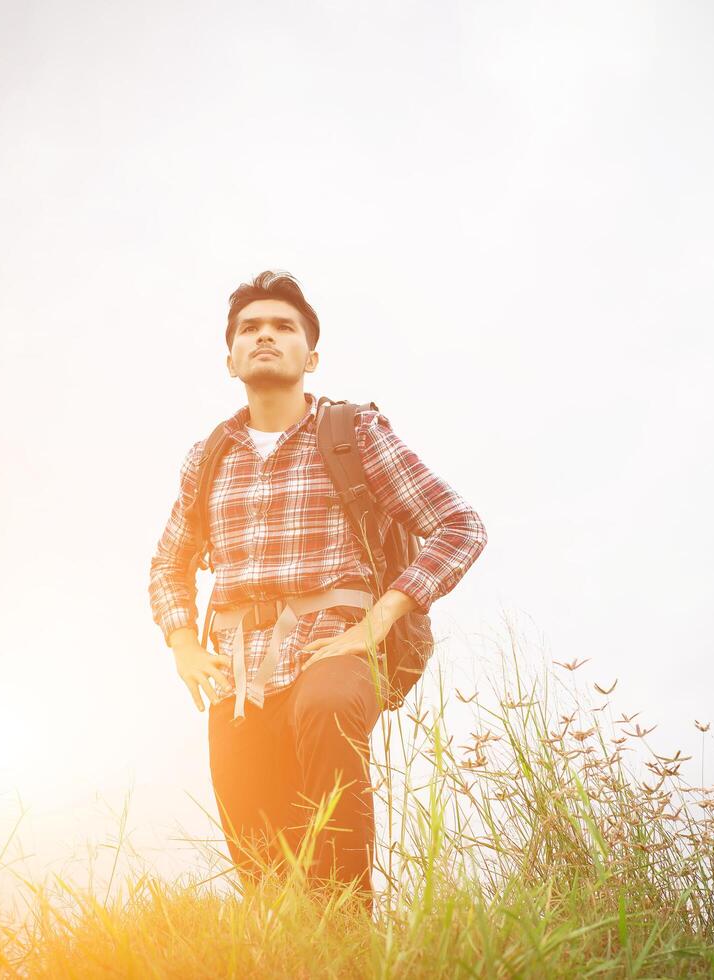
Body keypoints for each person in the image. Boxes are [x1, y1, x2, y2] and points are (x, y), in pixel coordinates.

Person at [148, 270, 488, 912]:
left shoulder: (352, 433)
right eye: (250, 328)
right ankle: (294, 946)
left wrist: (380, 620)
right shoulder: (209, 457)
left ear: (312, 355)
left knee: (325, 709)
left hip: (337, 652)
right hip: (237, 676)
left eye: (284, 327)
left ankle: (352, 927)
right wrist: (184, 645)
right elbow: (168, 563)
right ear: (230, 359)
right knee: (266, 871)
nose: (266, 336)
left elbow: (459, 524)